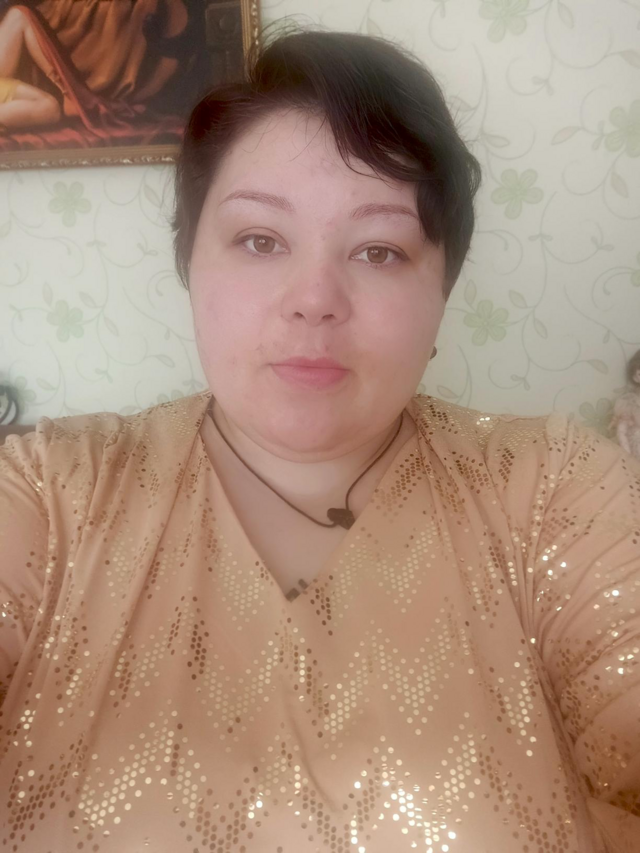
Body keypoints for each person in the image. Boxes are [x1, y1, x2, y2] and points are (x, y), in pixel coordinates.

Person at [0, 26, 638, 853]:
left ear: (442, 291)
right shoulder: (50, 492)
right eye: (261, 240)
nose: (314, 298)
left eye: (378, 250)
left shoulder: (555, 487)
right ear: (191, 263)